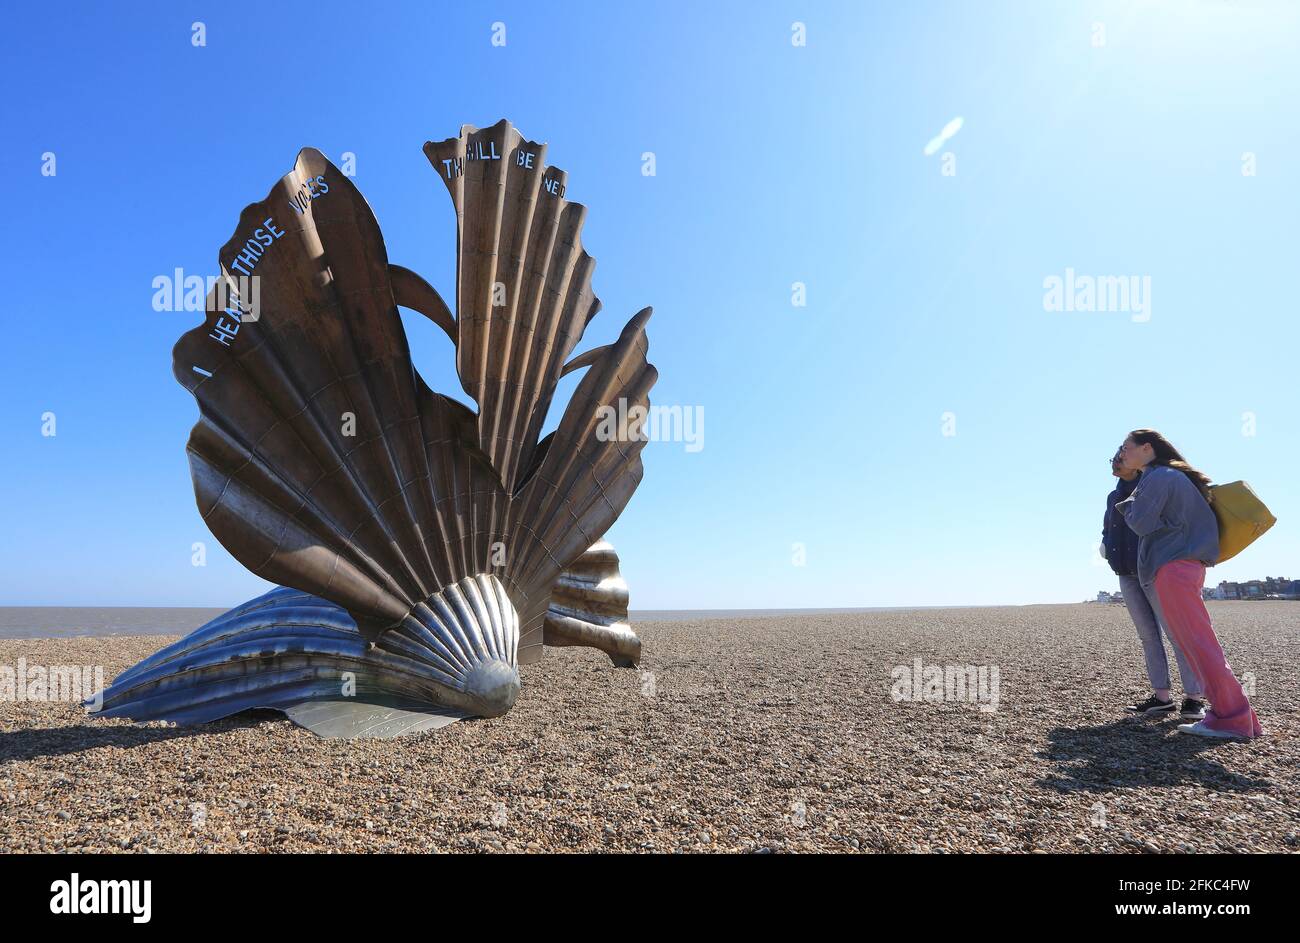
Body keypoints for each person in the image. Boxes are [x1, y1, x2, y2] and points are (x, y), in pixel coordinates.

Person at [1115, 429, 1262, 739]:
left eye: (1127, 447)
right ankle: (1237, 716)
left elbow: (1140, 523)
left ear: (1147, 448)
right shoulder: (1173, 476)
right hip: (1186, 565)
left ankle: (1231, 717)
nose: (1122, 453)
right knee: (1198, 642)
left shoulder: (1156, 477)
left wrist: (1126, 505)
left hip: (1172, 567)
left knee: (1198, 644)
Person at [1101, 446, 1205, 719]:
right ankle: (1162, 697)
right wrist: (1106, 546)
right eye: (1113, 458)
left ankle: (1194, 699)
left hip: (1156, 570)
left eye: (1121, 456)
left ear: (1137, 461)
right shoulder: (1113, 496)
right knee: (1148, 636)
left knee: (1177, 633)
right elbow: (1107, 529)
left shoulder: (1153, 485)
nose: (1116, 461)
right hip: (1126, 573)